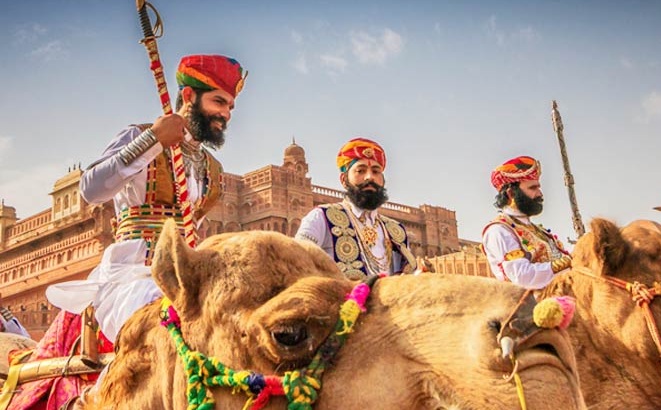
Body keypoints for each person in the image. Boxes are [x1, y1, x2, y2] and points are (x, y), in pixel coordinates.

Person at [46, 54, 246, 342]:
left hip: (186, 279)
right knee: (158, 328)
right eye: (218, 102)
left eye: (230, 106)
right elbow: (91, 190)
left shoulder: (213, 171)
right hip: (133, 278)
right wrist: (153, 140)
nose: (226, 114)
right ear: (189, 96)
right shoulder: (139, 136)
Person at [295, 138, 416, 279]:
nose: (369, 177)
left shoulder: (397, 231)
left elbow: (409, 278)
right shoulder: (321, 217)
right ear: (343, 180)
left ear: (383, 181)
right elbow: (296, 267)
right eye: (360, 171)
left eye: (376, 172)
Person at [481, 155, 571, 290]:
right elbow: (523, 277)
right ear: (511, 194)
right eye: (533, 188)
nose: (540, 194)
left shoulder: (538, 230)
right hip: (531, 307)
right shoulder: (499, 231)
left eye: (538, 187)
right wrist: (569, 261)